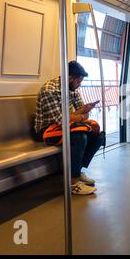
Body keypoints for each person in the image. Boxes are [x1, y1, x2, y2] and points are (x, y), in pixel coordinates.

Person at [34, 61, 105, 195]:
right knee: (79, 136)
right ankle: (73, 183)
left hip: (64, 126)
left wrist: (81, 112)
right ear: (70, 78)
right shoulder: (50, 90)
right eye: (79, 81)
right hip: (45, 130)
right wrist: (79, 114)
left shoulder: (72, 90)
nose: (80, 85)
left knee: (98, 135)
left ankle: (77, 171)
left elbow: (83, 114)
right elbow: (60, 120)